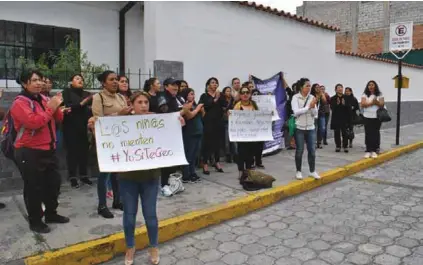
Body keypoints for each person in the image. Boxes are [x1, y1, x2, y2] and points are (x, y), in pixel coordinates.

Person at [11, 69, 69, 233]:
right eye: (34, 80)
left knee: (53, 184)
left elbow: (58, 119)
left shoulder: (44, 98)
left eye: (41, 80)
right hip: (29, 151)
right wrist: (51, 108)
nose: (39, 83)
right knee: (34, 188)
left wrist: (56, 106)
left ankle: (51, 213)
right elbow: (35, 122)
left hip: (49, 149)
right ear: (24, 83)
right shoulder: (20, 103)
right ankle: (35, 220)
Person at [92, 70, 131, 218]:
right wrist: (118, 115)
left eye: (116, 79)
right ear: (103, 82)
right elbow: (97, 120)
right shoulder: (98, 98)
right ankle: (102, 205)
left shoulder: (121, 97)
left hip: (120, 140)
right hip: (106, 141)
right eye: (111, 79)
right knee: (105, 175)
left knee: (118, 173)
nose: (115, 82)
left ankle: (117, 200)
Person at [158, 78, 189, 196]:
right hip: (165, 134)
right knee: (167, 160)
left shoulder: (178, 97)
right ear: (166, 86)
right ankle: (164, 185)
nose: (176, 86)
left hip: (178, 133)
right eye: (172, 84)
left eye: (177, 84)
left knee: (175, 159)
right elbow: (165, 113)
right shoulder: (162, 97)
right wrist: (182, 112)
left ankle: (174, 183)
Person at [62, 74, 93, 188]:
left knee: (84, 152)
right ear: (71, 82)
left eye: (81, 79)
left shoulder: (87, 94)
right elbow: (67, 106)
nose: (80, 80)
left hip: (84, 126)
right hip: (71, 126)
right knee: (72, 153)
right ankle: (73, 177)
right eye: (77, 78)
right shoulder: (67, 92)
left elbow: (91, 108)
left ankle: (84, 176)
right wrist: (81, 104)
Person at [291, 78, 320, 180]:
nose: (309, 87)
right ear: (301, 87)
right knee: (299, 150)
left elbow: (315, 114)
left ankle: (312, 171)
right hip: (299, 128)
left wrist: (313, 108)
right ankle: (298, 171)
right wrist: (308, 107)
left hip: (311, 128)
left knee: (312, 150)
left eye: (309, 86)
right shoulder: (295, 97)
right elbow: (296, 112)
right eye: (307, 86)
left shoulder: (312, 97)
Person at [233, 84, 259, 178]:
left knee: (250, 153)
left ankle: (248, 171)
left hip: (252, 134)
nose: (245, 94)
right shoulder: (237, 106)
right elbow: (233, 119)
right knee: (241, 153)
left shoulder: (254, 104)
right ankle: (241, 171)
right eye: (243, 92)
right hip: (241, 134)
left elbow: (259, 116)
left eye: (247, 92)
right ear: (240, 95)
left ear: (250, 94)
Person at [199, 77, 224, 175]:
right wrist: (215, 98)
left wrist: (220, 98)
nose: (214, 84)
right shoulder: (204, 96)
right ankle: (205, 164)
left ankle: (217, 162)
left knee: (217, 143)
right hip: (208, 122)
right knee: (207, 144)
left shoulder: (220, 95)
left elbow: (225, 104)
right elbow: (206, 106)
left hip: (219, 121)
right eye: (212, 83)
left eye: (216, 83)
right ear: (208, 85)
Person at [180, 88, 204, 183]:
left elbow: (202, 116)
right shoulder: (185, 105)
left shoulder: (195, 104)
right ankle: (186, 175)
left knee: (194, 155)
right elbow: (189, 116)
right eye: (190, 94)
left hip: (198, 131)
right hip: (189, 132)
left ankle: (193, 172)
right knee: (188, 155)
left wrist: (201, 110)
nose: (192, 96)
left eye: (193, 94)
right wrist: (198, 108)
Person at [361, 80, 384, 158]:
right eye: (369, 85)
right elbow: (363, 104)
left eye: (372, 85)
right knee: (368, 133)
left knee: (375, 133)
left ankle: (374, 150)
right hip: (367, 117)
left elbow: (381, 105)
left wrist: (376, 102)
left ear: (375, 86)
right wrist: (372, 103)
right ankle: (368, 150)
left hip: (377, 117)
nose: (371, 86)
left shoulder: (379, 94)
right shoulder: (365, 94)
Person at [330, 84, 351, 153]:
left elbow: (349, 109)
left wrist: (345, 104)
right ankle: (338, 146)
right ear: (336, 90)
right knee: (337, 133)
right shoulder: (333, 98)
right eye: (338, 88)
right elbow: (332, 108)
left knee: (345, 133)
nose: (340, 89)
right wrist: (337, 104)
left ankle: (345, 146)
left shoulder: (347, 97)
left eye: (341, 88)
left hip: (344, 118)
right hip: (336, 118)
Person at [219, 86, 236, 163]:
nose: (229, 93)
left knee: (234, 141)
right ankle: (228, 155)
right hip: (225, 122)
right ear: (224, 92)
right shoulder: (222, 100)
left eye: (230, 91)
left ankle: (235, 155)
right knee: (226, 140)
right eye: (227, 91)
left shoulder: (233, 100)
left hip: (233, 122)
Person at [250, 87, 265, 169]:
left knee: (260, 146)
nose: (256, 96)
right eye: (254, 94)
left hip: (261, 127)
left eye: (257, 94)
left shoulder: (263, 104)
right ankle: (251, 162)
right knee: (252, 146)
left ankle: (259, 161)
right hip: (252, 128)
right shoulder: (249, 103)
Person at [311, 84, 328, 149]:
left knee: (322, 128)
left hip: (321, 113)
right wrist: (318, 97)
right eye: (316, 87)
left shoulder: (321, 94)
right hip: (313, 114)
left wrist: (322, 94)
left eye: (319, 87)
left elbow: (325, 101)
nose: (318, 89)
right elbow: (314, 103)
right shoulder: (311, 95)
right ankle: (314, 143)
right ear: (313, 88)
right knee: (314, 129)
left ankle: (319, 142)